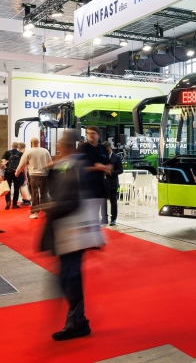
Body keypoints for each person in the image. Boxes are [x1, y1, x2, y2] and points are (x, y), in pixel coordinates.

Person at [40, 129, 104, 341]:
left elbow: (71, 198)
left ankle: (78, 322)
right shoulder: (67, 164)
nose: (59, 147)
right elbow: (58, 189)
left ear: (68, 145)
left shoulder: (76, 164)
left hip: (73, 231)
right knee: (68, 277)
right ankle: (77, 321)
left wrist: (52, 208)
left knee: (69, 278)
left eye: (61, 144)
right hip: (67, 231)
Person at [78, 126, 112, 225]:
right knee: (86, 215)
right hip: (86, 187)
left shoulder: (102, 148)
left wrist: (106, 168)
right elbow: (80, 168)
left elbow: (109, 165)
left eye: (93, 133)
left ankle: (95, 230)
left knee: (95, 214)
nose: (90, 135)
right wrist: (96, 168)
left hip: (99, 186)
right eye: (88, 133)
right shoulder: (83, 148)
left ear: (98, 135)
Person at [16, 138, 52, 219]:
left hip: (33, 175)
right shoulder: (45, 151)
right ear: (38, 142)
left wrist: (17, 172)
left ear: (31, 143)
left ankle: (35, 213)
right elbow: (50, 163)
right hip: (44, 175)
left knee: (34, 193)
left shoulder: (28, 152)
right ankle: (46, 211)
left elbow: (22, 164)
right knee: (44, 193)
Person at [102, 142, 123, 226]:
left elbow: (121, 170)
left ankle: (113, 219)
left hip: (112, 182)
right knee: (103, 202)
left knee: (113, 201)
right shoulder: (103, 157)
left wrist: (111, 172)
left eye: (106, 150)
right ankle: (104, 218)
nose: (105, 152)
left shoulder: (117, 157)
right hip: (103, 182)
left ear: (110, 148)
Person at [2, 142, 23, 210]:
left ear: (12, 146)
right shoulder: (21, 154)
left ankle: (8, 201)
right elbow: (23, 165)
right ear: (18, 147)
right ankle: (14, 204)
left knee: (8, 188)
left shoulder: (7, 152)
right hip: (17, 172)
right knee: (16, 188)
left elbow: (3, 163)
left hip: (8, 172)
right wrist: (25, 175)